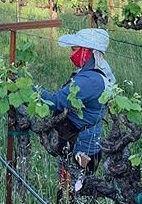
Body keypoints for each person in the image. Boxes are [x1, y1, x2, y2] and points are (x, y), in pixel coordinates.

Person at [36, 27, 115, 175]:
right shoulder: (94, 73)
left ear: (87, 51)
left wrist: (30, 90)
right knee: (68, 190)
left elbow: (55, 101)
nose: (71, 54)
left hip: (82, 149)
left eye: (74, 49)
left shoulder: (89, 81)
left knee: (74, 190)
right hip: (79, 143)